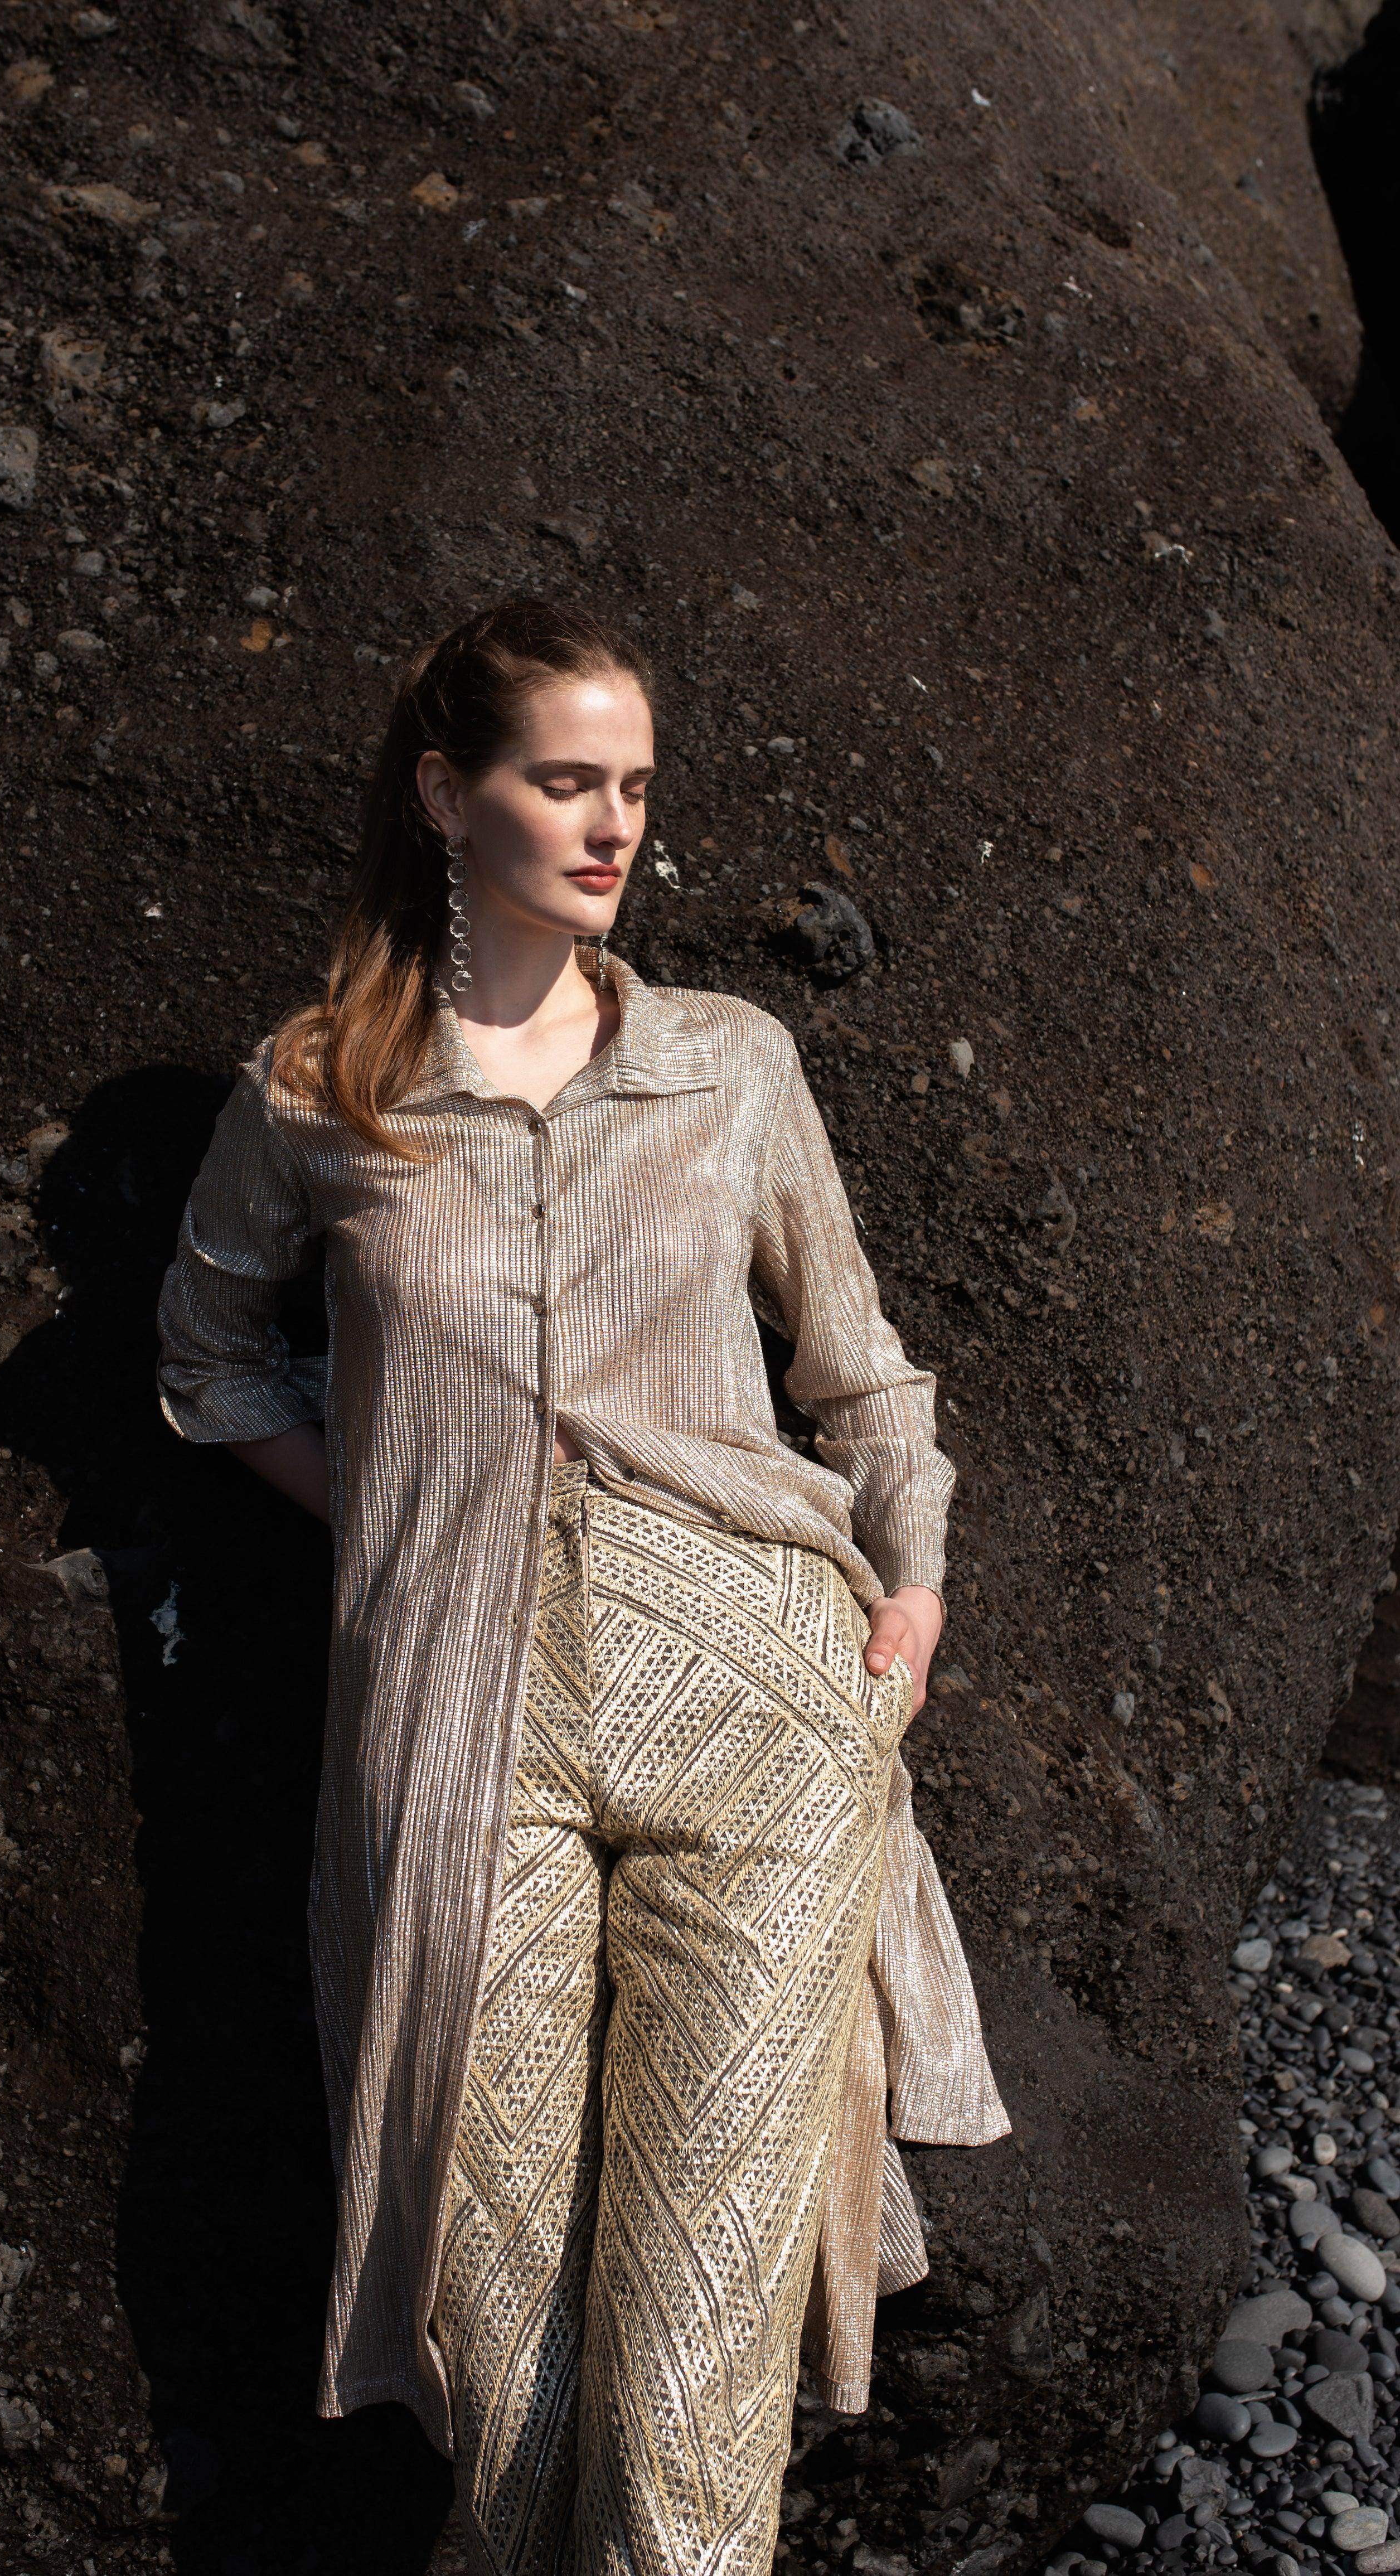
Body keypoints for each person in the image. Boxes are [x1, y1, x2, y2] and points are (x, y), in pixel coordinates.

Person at [155, 597, 1010, 2576]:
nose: (615, 822)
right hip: (462, 1737)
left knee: (695, 2364)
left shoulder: (729, 1065)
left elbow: (864, 1375)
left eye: (634, 784)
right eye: (566, 781)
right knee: (509, 2363)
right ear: (446, 794)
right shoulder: (321, 1089)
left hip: (759, 1705)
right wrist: (410, 1512)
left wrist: (908, 1595)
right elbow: (207, 1362)